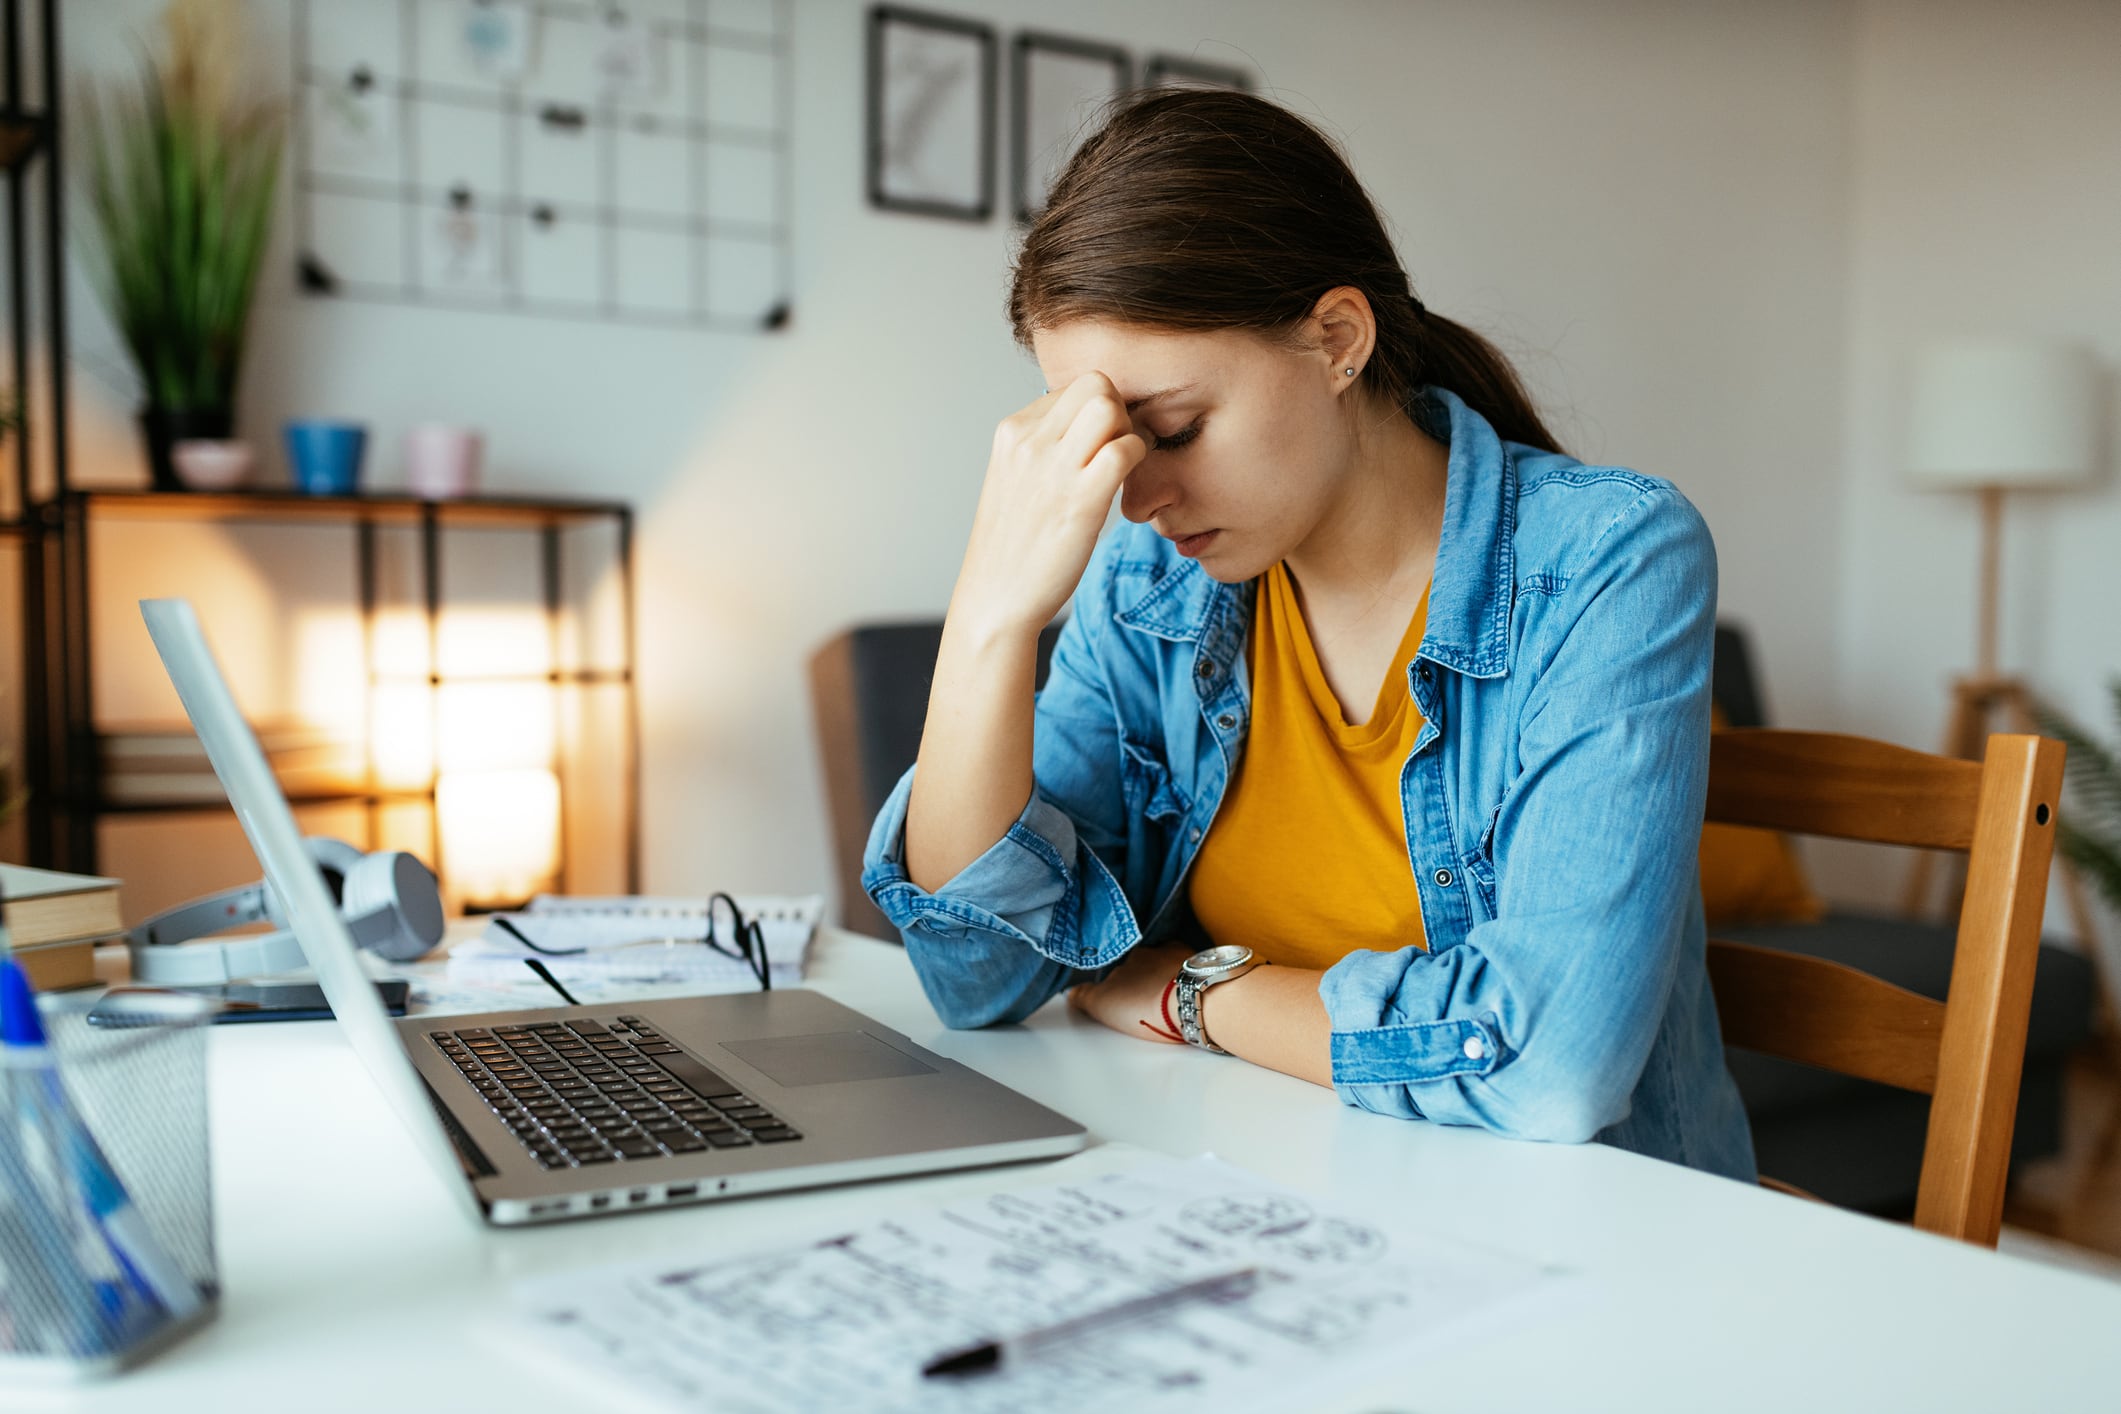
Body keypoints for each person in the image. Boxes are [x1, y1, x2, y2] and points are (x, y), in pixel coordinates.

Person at [860, 88, 1755, 1181]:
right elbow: (981, 977)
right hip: (1263, 1189)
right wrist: (989, 616)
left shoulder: (1608, 559)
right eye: (1109, 445)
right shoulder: (1151, 580)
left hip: (1576, 1230)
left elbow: (1549, 1063)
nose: (1137, 500)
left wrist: (1194, 991)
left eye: (1173, 429)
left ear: (1337, 340)